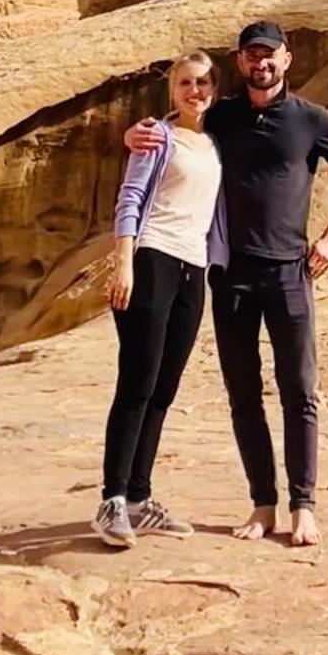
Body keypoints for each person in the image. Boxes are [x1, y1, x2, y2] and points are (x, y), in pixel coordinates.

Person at [124, 18, 328, 547]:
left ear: (287, 59)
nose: (261, 64)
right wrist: (134, 133)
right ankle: (263, 505)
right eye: (252, 56)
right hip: (230, 277)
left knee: (299, 391)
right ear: (240, 63)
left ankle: (304, 506)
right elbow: (177, 124)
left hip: (288, 274)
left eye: (270, 55)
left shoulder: (311, 120)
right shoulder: (224, 117)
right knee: (243, 395)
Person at [95, 49, 227, 549]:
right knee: (137, 382)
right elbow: (130, 198)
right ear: (173, 90)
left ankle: (139, 499)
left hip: (194, 269)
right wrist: (122, 262)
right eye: (187, 83)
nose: (195, 91)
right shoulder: (157, 136)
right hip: (152, 259)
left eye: (204, 83)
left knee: (164, 388)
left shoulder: (215, 144)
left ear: (215, 88)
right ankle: (111, 501)